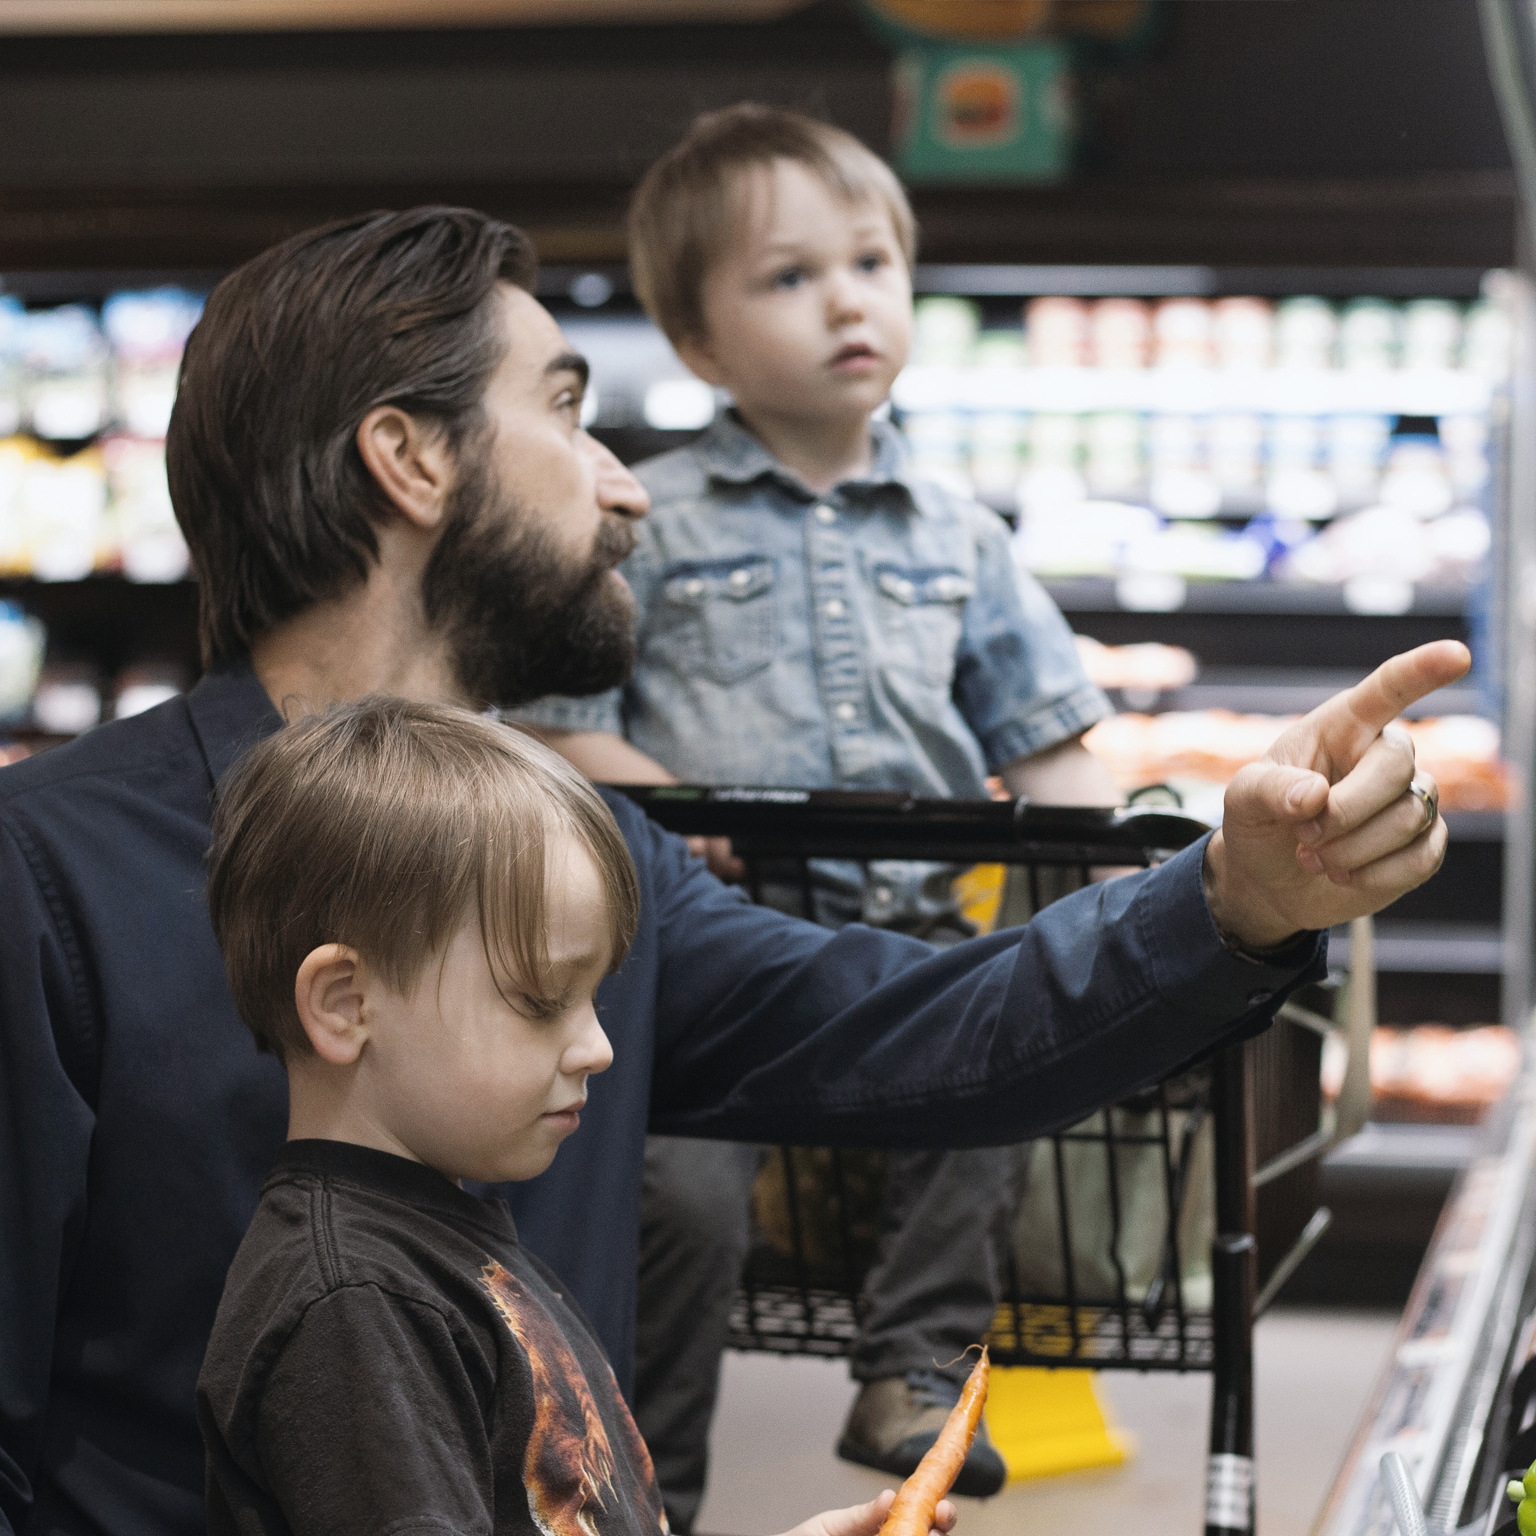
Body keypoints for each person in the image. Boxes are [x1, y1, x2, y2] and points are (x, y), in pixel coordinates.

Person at [0, 204, 1459, 1536]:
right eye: (567, 412)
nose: (628, 492)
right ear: (413, 459)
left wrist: (1237, 901)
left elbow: (930, 1034)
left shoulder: (589, 862)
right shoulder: (49, 877)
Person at [511, 104, 1124, 1517]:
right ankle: (645, 1476)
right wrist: (666, 804)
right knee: (678, 1198)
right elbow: (555, 729)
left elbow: (1053, 746)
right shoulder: (644, 520)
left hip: (913, 937)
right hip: (706, 953)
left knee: (992, 1088)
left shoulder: (962, 534)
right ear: (700, 343)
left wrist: (1132, 884)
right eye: (790, 277)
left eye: (871, 264)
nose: (847, 301)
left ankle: (912, 1370)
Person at [196, 694, 956, 1536]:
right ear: (346, 1004)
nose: (597, 1046)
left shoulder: (437, 1253)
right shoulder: (359, 1308)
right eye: (539, 1000)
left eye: (594, 999)